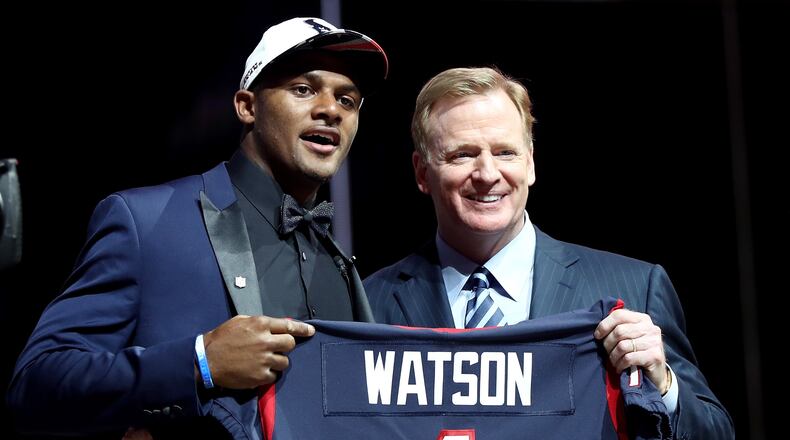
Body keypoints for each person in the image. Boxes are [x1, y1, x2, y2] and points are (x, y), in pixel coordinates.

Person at [7, 17, 387, 439]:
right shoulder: (145, 221)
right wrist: (199, 362)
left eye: (348, 101)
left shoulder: (339, 263)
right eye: (303, 89)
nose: (330, 110)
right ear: (247, 106)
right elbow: (36, 385)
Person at [364, 67, 734, 439]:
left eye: (505, 152)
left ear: (531, 163)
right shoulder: (369, 303)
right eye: (462, 155)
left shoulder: (637, 287)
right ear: (422, 172)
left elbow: (716, 433)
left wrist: (663, 384)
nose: (487, 173)